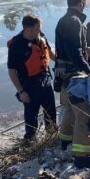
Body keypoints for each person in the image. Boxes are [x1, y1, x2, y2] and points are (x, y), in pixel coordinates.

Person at [54, 0, 90, 169]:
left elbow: (68, 48)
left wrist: (86, 49)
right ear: (82, 2)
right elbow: (75, 54)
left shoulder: (64, 20)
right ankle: (82, 157)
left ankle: (65, 142)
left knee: (69, 110)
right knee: (85, 114)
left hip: (64, 76)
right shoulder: (75, 22)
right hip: (75, 76)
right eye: (85, 1)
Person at [7, 13, 57, 142]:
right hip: (29, 85)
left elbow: (50, 53)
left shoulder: (40, 36)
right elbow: (12, 71)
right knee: (31, 116)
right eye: (37, 28)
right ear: (28, 29)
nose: (39, 31)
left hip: (45, 80)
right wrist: (21, 91)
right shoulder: (16, 44)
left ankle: (51, 137)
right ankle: (30, 141)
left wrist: (63, 62)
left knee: (51, 112)